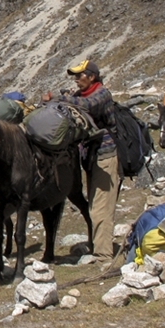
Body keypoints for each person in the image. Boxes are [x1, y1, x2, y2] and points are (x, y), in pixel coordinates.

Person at [43, 60, 120, 260]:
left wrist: (59, 98)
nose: (76, 80)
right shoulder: (79, 95)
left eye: (80, 76)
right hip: (91, 156)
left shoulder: (102, 94)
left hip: (106, 154)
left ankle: (103, 254)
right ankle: (97, 245)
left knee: (101, 205)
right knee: (95, 201)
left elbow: (86, 105)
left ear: (92, 77)